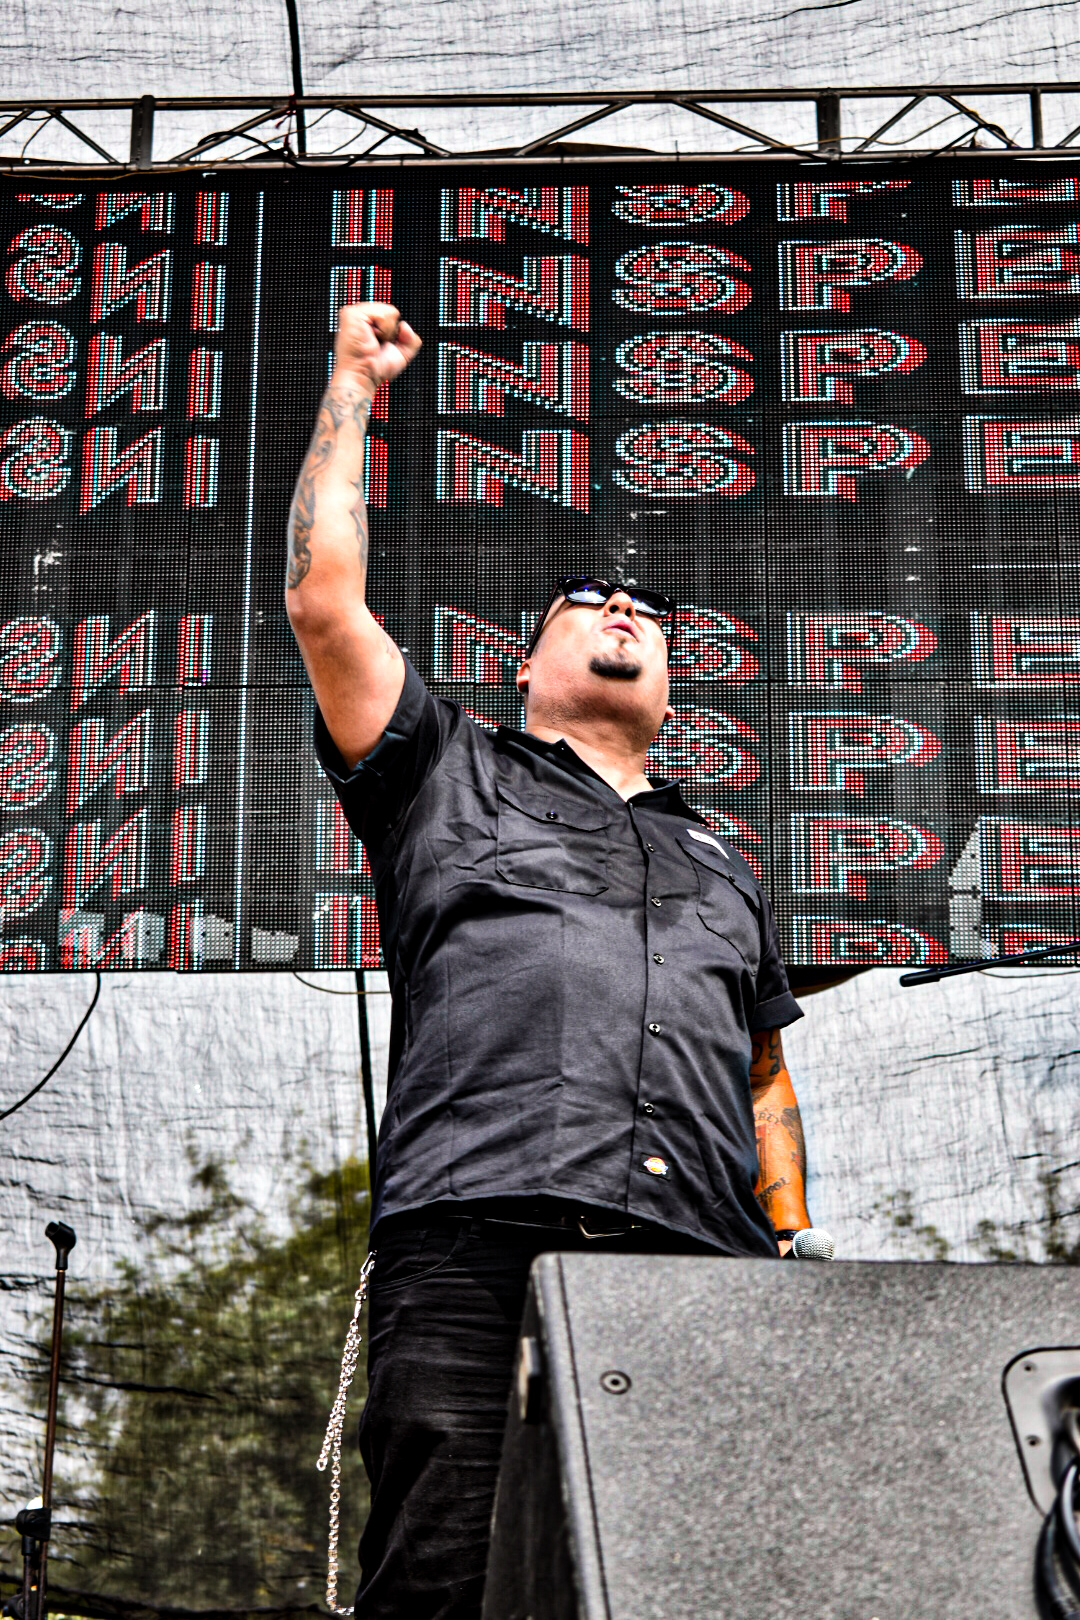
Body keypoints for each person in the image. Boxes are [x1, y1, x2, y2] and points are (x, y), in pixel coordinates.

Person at [286, 303, 811, 1620]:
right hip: (476, 1241)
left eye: (648, 610)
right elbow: (322, 599)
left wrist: (796, 1247)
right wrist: (353, 385)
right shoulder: (442, 768)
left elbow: (762, 1073)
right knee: (449, 1581)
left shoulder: (724, 860)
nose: (622, 606)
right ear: (527, 669)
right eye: (587, 600)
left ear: (671, 688)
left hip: (702, 1265)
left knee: (687, 1588)